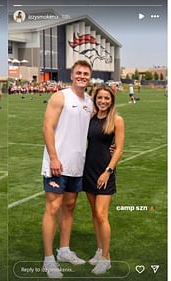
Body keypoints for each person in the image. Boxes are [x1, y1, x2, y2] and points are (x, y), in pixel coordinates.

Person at [41, 60, 93, 278]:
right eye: (78, 72)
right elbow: (47, 127)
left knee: (70, 206)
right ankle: (48, 260)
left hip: (77, 165)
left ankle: (64, 250)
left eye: (86, 73)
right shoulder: (60, 96)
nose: (82, 76)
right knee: (53, 207)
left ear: (90, 77)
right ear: (72, 75)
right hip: (57, 164)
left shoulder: (90, 101)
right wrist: (53, 157)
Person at [83, 85, 124, 275]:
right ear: (95, 99)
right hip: (88, 170)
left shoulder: (116, 119)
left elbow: (119, 150)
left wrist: (108, 171)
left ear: (112, 100)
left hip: (104, 172)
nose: (103, 101)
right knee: (94, 213)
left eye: (107, 98)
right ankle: (99, 252)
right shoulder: (90, 118)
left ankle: (106, 258)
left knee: (101, 214)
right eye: (100, 98)